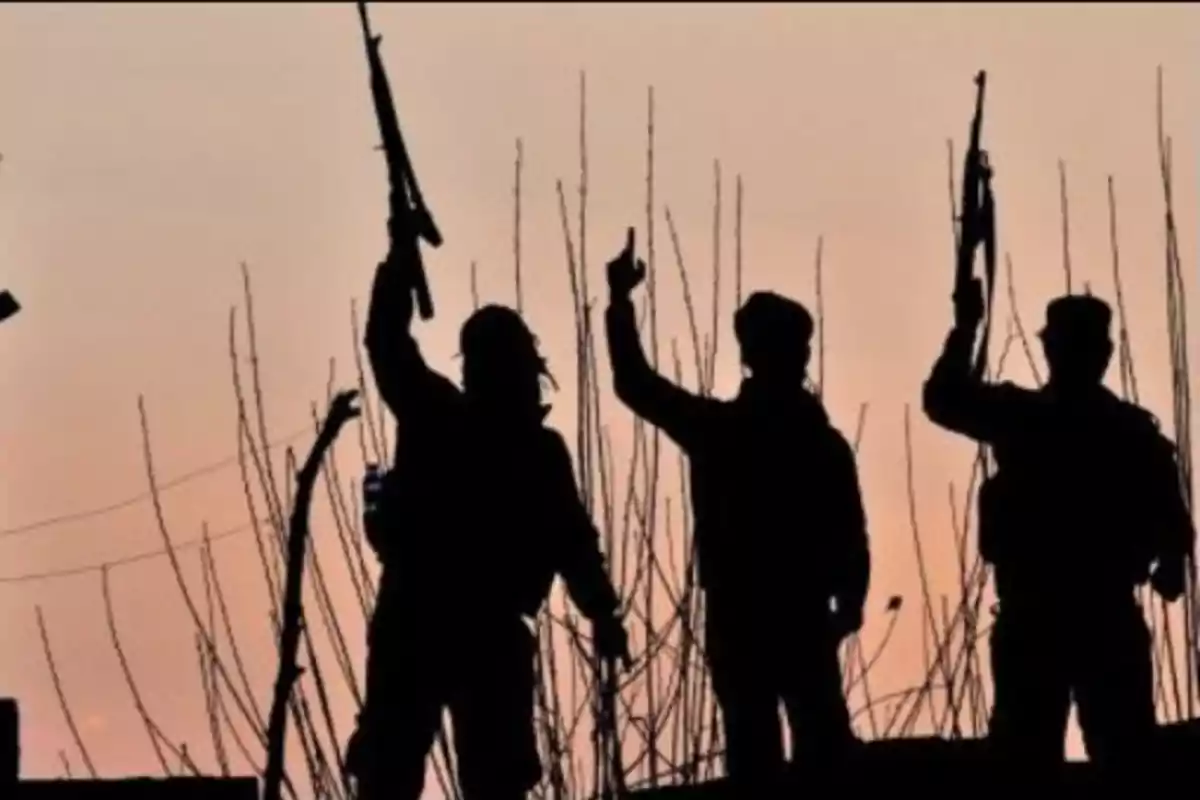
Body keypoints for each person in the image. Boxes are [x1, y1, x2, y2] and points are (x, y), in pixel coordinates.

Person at [346, 231, 630, 800]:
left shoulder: (444, 418)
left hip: (432, 623)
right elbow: (574, 542)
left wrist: (398, 268)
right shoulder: (503, 438)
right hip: (453, 626)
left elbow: (386, 343)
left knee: (415, 770)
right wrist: (601, 612)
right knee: (417, 770)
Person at [603, 228, 870, 785]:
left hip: (751, 618)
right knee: (818, 755)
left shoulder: (724, 431)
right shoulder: (815, 443)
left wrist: (621, 303)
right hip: (790, 616)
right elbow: (852, 536)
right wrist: (848, 603)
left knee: (762, 758)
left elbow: (637, 384)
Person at [922, 278, 1195, 770]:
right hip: (1085, 618)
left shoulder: (1028, 418)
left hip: (1054, 618)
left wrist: (966, 328)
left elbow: (944, 399)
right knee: (1110, 755)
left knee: (1049, 757)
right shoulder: (1128, 431)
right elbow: (1175, 535)